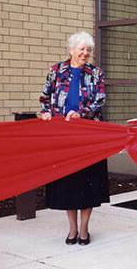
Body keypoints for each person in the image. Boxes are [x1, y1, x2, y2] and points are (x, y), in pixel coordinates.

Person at [39, 31, 109, 246]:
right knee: (67, 183)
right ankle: (72, 229)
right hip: (63, 136)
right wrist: (46, 112)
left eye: (88, 49)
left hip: (88, 135)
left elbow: (100, 99)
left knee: (87, 183)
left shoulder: (96, 73)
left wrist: (82, 113)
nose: (85, 53)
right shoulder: (56, 71)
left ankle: (85, 228)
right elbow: (45, 96)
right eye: (81, 49)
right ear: (71, 50)